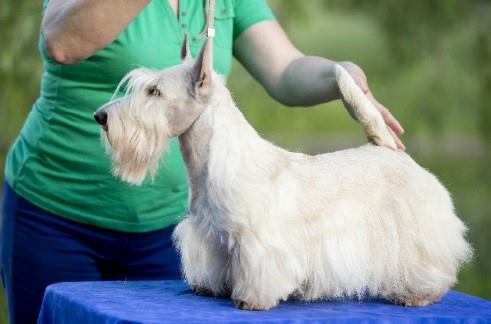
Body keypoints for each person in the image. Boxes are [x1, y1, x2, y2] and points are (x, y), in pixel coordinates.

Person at [0, 0, 405, 323]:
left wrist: (340, 75)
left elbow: (286, 70)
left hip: (169, 226)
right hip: (54, 217)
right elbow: (61, 41)